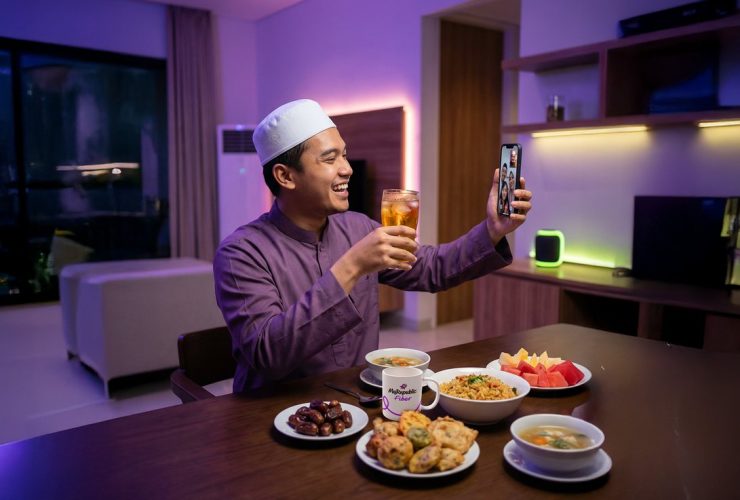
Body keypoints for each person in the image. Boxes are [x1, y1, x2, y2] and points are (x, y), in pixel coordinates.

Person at [213, 99, 533, 392]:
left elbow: (432, 268)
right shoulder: (241, 253)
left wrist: (492, 231)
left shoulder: (358, 226)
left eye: (344, 154)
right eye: (329, 159)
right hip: (274, 413)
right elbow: (268, 354)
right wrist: (352, 266)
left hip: (356, 401)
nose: (347, 168)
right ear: (285, 176)